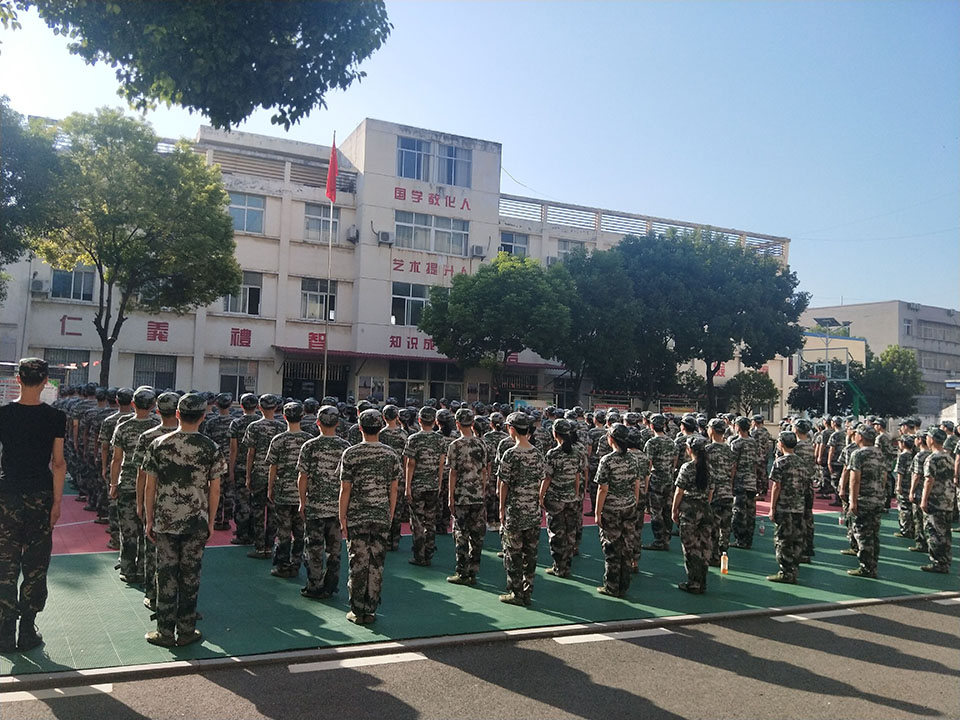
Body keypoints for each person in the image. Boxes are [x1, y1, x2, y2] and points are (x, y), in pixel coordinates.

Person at [143, 393, 225, 647]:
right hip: (196, 521)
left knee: (166, 575)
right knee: (190, 577)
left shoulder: (158, 444)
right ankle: (187, 630)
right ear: (203, 416)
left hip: (165, 520)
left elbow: (149, 486)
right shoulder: (210, 447)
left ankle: (165, 632)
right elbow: (215, 490)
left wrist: (149, 519)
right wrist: (211, 521)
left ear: (177, 414)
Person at [0, 358, 66, 652]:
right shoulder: (55, 417)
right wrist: (57, 502)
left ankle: (4, 631)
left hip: (7, 495)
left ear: (18, 379)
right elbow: (58, 463)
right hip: (41, 495)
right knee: (36, 565)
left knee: (5, 564)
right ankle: (27, 629)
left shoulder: (3, 415)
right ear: (45, 381)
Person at [339, 409, 401, 624]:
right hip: (381, 514)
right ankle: (370, 609)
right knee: (376, 564)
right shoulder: (390, 454)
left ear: (360, 427)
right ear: (380, 427)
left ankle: (357, 610)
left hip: (357, 516)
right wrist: (390, 513)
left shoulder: (351, 453)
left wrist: (342, 516)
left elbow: (345, 488)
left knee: (358, 563)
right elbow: (394, 488)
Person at [132, 391, 180, 611]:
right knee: (183, 556)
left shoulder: (148, 437)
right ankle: (180, 600)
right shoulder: (195, 437)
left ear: (157, 410)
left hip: (159, 504)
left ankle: (153, 595)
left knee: (154, 551)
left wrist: (141, 503)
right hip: (188, 506)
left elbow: (142, 475)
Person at [297, 405, 349, 599]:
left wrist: (302, 501)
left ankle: (314, 585)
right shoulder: (345, 447)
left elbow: (303, 477)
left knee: (314, 548)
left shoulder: (309, 446)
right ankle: (330, 585)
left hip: (315, 506)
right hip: (336, 507)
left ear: (317, 422)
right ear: (337, 423)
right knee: (334, 550)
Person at [109, 386, 160, 584]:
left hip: (128, 483)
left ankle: (128, 569)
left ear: (133, 404)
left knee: (128, 530)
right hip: (152, 486)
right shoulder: (158, 427)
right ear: (153, 405)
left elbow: (116, 459)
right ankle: (144, 570)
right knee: (148, 529)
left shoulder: (123, 427)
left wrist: (113, 484)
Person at [497, 411, 545, 606]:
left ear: (512, 429)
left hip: (515, 511)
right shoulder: (537, 453)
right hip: (533, 511)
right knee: (530, 555)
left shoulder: (510, 454)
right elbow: (542, 479)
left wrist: (501, 508)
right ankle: (527, 591)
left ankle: (516, 593)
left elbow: (503, 484)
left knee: (513, 554)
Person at [265, 402, 312, 578]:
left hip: (284, 492)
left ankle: (283, 565)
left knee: (283, 532)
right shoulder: (309, 440)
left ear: (284, 417)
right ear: (302, 416)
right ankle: (295, 564)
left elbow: (273, 467)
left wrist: (270, 488)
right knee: (300, 532)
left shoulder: (278, 440)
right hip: (302, 493)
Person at [595, 423, 642, 597]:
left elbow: (603, 489)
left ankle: (612, 586)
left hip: (612, 509)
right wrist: (634, 501)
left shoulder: (607, 460)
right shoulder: (633, 458)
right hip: (629, 506)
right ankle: (624, 585)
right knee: (627, 546)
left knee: (612, 548)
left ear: (611, 439)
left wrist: (597, 512)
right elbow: (636, 483)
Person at [446, 408, 488, 585]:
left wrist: (450, 496)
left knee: (461, 534)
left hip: (461, 496)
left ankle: (462, 572)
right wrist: (482, 490)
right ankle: (473, 571)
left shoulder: (455, 445)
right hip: (477, 495)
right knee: (477, 535)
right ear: (472, 423)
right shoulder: (481, 444)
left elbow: (453, 473)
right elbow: (484, 471)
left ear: (457, 424)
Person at [671, 435, 715, 594]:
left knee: (690, 547)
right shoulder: (709, 468)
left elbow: (679, 491)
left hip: (689, 510)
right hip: (705, 509)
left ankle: (694, 582)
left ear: (689, 450)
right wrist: (705, 504)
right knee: (705, 546)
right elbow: (711, 491)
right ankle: (702, 581)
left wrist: (674, 509)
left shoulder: (687, 467)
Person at [243, 394, 285, 559]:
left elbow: (250, 453)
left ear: (259, 407)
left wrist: (248, 476)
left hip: (259, 474)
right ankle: (269, 545)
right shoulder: (281, 427)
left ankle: (259, 547)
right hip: (276, 475)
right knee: (274, 512)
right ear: (275, 408)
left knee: (258, 512)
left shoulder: (253, 427)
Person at [403, 406, 446, 567]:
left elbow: (410, 464)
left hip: (417, 485)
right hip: (433, 485)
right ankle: (428, 554)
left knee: (417, 522)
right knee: (430, 521)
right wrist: (439, 483)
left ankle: (419, 555)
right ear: (434, 421)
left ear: (419, 420)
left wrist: (407, 486)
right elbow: (441, 463)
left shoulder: (414, 438)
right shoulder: (439, 439)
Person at [542, 418, 582, 578]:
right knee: (570, 533)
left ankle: (559, 566)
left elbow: (547, 478)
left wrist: (540, 495)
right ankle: (567, 565)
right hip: (571, 498)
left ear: (555, 433)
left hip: (556, 499)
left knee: (556, 533)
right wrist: (576, 493)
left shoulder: (553, 454)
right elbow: (577, 476)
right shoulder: (576, 452)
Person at [845, 424, 885, 578]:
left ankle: (867, 567)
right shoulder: (879, 453)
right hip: (877, 498)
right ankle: (873, 564)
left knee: (862, 534)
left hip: (864, 499)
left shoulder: (858, 454)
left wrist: (853, 501)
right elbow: (884, 476)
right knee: (874, 534)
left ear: (860, 437)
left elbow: (855, 480)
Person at [766, 431, 805, 584]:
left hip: (784, 507)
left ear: (781, 444)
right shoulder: (801, 462)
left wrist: (772, 508)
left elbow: (776, 486)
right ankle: (794, 569)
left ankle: (786, 572)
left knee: (783, 540)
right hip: (798, 506)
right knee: (796, 539)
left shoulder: (780, 462)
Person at [920, 428, 956, 573]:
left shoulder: (932, 458)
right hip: (948, 499)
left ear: (932, 440)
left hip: (935, 500)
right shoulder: (949, 457)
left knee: (934, 532)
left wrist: (924, 500)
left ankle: (938, 563)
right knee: (945, 533)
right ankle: (945, 560)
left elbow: (929, 480)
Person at [228, 393, 261, 546]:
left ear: (241, 406)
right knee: (255, 502)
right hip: (258, 468)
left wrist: (231, 469)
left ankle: (243, 534)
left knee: (241, 501)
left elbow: (233, 449)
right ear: (257, 406)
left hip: (241, 467)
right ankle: (254, 532)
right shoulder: (261, 423)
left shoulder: (236, 423)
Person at [643, 414, 678, 551]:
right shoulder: (671, 442)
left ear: (652, 426)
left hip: (656, 480)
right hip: (668, 479)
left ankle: (659, 540)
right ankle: (666, 538)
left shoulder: (651, 443)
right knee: (667, 510)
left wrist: (646, 483)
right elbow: (674, 461)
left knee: (656, 512)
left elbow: (648, 464)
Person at [705, 418, 735, 567]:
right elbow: (732, 469)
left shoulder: (708, 449)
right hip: (727, 490)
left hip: (714, 492)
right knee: (726, 525)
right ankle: (723, 551)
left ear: (712, 430)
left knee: (713, 525)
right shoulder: (729, 449)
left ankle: (714, 555)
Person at [729, 416, 759, 549]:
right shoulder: (753, 442)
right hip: (751, 481)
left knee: (739, 513)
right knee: (750, 512)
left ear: (738, 427)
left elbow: (733, 465)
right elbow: (755, 463)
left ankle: (740, 540)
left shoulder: (736, 443)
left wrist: (730, 482)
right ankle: (748, 539)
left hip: (740, 481)